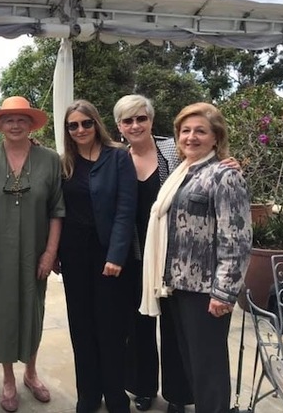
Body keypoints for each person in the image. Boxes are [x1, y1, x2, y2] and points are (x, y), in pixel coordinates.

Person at [140, 102, 252, 413]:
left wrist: (224, 292)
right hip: (177, 284)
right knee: (192, 365)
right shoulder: (183, 171)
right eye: (185, 131)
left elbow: (237, 238)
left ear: (216, 137)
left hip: (206, 290)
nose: (191, 137)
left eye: (200, 131)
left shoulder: (224, 175)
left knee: (208, 370)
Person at [0, 96, 64, 413]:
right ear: (0, 125)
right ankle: (8, 379)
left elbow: (57, 209)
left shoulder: (50, 159)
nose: (15, 125)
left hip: (34, 251)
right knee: (3, 311)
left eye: (21, 120)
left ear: (31, 125)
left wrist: (50, 252)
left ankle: (30, 372)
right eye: (9, 120)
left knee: (33, 310)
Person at [113, 95, 193, 413]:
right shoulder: (118, 158)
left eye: (141, 118)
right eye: (128, 120)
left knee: (176, 327)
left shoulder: (172, 149)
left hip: (173, 254)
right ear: (119, 126)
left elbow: (207, 161)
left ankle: (178, 394)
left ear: (151, 120)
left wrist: (230, 162)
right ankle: (142, 387)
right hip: (135, 255)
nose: (135, 125)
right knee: (138, 326)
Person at [58, 99, 137, 413]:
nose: (80, 130)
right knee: (81, 327)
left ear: (96, 123)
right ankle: (88, 395)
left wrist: (116, 255)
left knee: (111, 327)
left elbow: (126, 210)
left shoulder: (118, 157)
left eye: (86, 123)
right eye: (73, 125)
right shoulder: (65, 162)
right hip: (73, 254)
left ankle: (116, 395)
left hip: (108, 254)